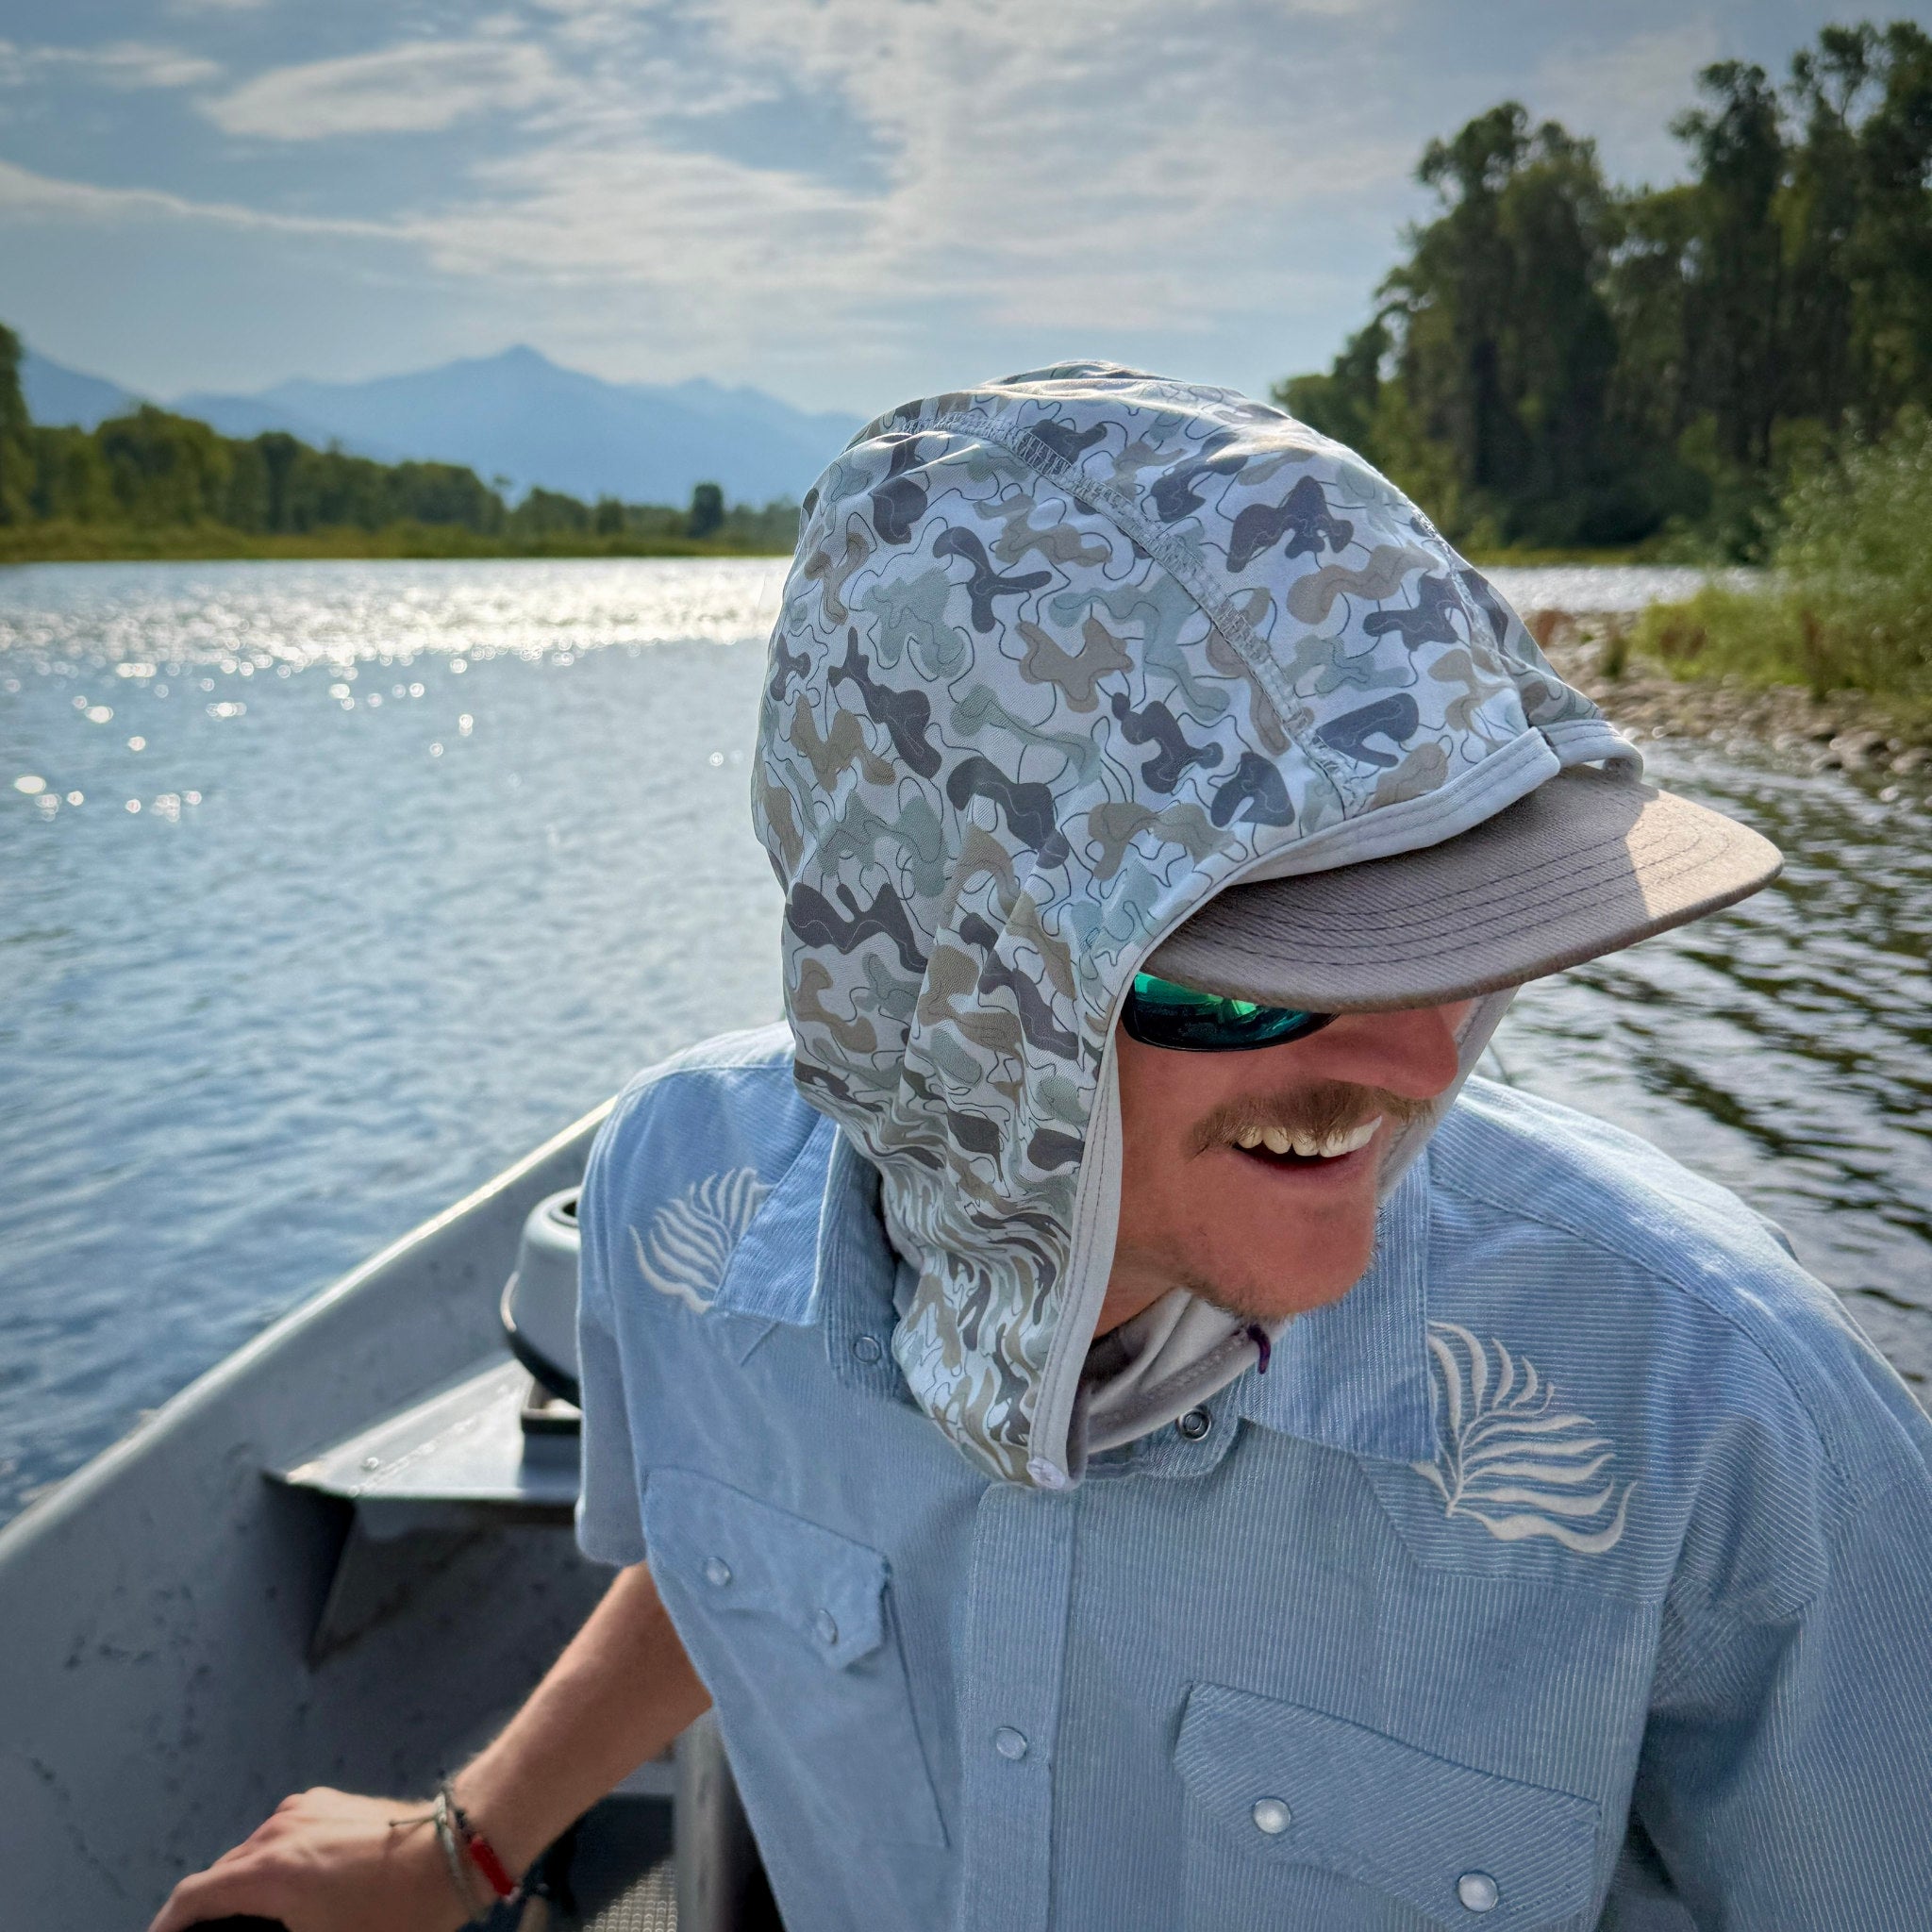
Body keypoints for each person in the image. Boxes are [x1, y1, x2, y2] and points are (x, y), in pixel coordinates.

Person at [153, 365, 1932, 1932]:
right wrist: (460, 1843)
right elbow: (732, 1548)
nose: (1411, 1064)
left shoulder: (1728, 1429)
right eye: (1258, 982)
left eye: (1464, 947)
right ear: (961, 996)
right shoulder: (674, 1207)